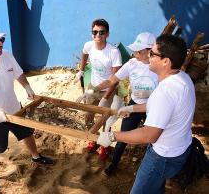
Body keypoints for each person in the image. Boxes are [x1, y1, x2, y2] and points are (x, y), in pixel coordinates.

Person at [97, 34, 195, 193]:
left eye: (153, 53)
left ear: (166, 61)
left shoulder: (164, 92)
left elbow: (149, 135)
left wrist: (113, 136)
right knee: (156, 188)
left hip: (162, 157)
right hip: (178, 150)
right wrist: (131, 108)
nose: (149, 56)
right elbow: (158, 107)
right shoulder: (182, 77)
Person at [0, 25, 53, 189]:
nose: (1, 44)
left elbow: (18, 73)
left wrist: (27, 87)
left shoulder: (7, 56)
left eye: (2, 40)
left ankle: (35, 156)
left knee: (27, 133)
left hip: (14, 108)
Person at [91, 32, 158, 171]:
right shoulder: (132, 64)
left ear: (150, 51)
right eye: (134, 50)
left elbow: (165, 91)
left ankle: (149, 167)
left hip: (153, 107)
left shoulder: (158, 67)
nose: (135, 53)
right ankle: (114, 164)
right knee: (123, 135)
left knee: (153, 138)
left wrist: (148, 93)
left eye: (139, 51)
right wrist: (94, 89)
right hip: (134, 104)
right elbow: (112, 80)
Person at [75, 19, 122, 155]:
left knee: (105, 119)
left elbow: (115, 80)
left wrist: (105, 98)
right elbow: (84, 53)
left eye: (101, 32)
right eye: (95, 32)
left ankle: (103, 144)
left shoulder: (113, 52)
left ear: (107, 34)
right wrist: (81, 70)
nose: (98, 35)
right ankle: (92, 139)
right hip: (92, 87)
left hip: (108, 90)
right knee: (89, 115)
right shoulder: (89, 45)